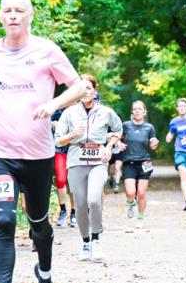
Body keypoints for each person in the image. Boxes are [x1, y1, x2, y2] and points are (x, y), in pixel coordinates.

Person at [0, 0, 89, 283]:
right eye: (7, 10)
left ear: (30, 15)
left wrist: (53, 105)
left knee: (38, 223)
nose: (12, 15)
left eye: (19, 10)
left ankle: (45, 272)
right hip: (0, 154)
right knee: (5, 221)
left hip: (38, 156)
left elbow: (79, 86)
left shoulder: (46, 50)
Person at [54, 75, 122, 262]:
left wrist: (109, 147)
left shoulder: (106, 112)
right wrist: (71, 136)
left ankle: (96, 239)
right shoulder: (69, 113)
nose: (86, 92)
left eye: (89, 88)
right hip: (76, 159)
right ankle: (85, 242)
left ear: (95, 90)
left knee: (94, 200)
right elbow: (58, 139)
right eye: (82, 89)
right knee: (81, 204)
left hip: (98, 159)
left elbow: (118, 130)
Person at [120, 100, 159, 222]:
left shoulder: (149, 127)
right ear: (132, 111)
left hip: (144, 163)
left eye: (139, 109)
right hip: (129, 162)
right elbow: (117, 138)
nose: (137, 111)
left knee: (141, 193)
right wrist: (119, 143)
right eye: (135, 109)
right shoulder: (125, 125)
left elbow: (153, 144)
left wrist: (154, 143)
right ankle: (131, 203)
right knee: (131, 192)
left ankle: (140, 217)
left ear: (144, 112)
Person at [51, 107, 77, 228]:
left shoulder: (81, 110)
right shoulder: (58, 109)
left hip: (75, 150)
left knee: (74, 183)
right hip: (60, 150)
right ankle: (63, 210)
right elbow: (46, 123)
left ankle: (74, 212)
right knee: (60, 180)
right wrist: (52, 123)